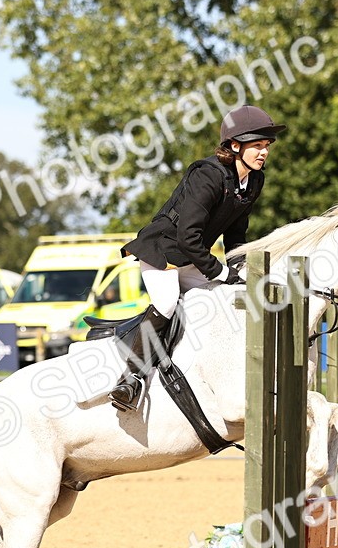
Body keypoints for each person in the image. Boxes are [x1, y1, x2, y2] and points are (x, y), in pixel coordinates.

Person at [109, 104, 286, 411]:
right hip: (162, 252)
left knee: (228, 297)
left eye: (266, 146)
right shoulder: (208, 175)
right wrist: (219, 271)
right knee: (165, 304)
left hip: (191, 257)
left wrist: (239, 267)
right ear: (235, 146)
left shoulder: (254, 180)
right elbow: (187, 236)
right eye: (257, 145)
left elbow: (235, 232)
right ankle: (129, 379)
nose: (263, 152)